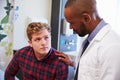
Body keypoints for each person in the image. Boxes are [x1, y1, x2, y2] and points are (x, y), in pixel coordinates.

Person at [55, 0, 120, 80]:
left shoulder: (113, 47)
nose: (70, 27)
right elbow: (92, 70)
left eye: (72, 23)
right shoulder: (89, 40)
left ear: (86, 18)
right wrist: (73, 63)